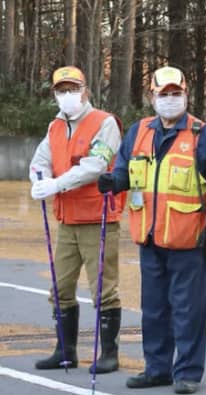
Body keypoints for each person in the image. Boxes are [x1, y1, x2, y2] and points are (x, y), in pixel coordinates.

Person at [98, 66, 206, 395]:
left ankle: (187, 371)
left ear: (186, 95)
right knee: (153, 309)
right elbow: (126, 169)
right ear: (152, 97)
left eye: (175, 94)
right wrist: (114, 181)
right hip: (150, 236)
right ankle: (157, 368)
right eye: (163, 94)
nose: (170, 100)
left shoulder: (202, 134)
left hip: (189, 239)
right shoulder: (139, 131)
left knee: (188, 310)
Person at [29, 66, 124, 374]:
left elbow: (96, 164)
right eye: (61, 90)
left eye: (72, 88)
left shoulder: (104, 122)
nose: (67, 95)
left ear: (85, 91)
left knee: (103, 288)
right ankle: (65, 350)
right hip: (67, 219)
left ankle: (109, 352)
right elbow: (41, 160)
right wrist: (39, 178)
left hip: (97, 216)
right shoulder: (55, 126)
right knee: (59, 287)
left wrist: (58, 184)